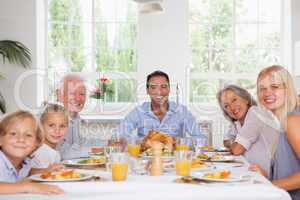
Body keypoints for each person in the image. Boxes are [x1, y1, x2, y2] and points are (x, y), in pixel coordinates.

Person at [249, 65, 300, 199]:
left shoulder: (292, 121)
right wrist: (266, 176)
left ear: (288, 89)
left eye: (275, 87)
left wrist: (269, 185)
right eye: (262, 89)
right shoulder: (283, 121)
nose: (267, 93)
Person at [118, 70, 206, 140]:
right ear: (147, 90)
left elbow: (201, 138)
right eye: (153, 87)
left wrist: (177, 142)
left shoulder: (181, 111)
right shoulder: (139, 112)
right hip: (145, 161)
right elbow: (118, 136)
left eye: (163, 87)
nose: (159, 92)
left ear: (169, 89)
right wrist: (143, 141)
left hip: (175, 160)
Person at [217, 85, 279, 176]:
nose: (232, 107)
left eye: (234, 100)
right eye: (226, 106)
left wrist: (235, 144)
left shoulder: (256, 113)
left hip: (271, 176)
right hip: (252, 172)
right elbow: (226, 142)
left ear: (246, 99)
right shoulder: (237, 121)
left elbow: (237, 150)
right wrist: (235, 144)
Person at [0, 110, 63, 195]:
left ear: (36, 143)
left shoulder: (24, 162)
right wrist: (29, 187)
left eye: (28, 135)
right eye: (13, 134)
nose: (21, 139)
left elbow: (28, 171)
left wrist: (46, 170)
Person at [56, 74, 87, 159]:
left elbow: (82, 144)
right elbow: (63, 153)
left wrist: (107, 144)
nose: (77, 98)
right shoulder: (52, 118)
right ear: (59, 95)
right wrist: (95, 150)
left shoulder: (75, 117)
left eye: (82, 94)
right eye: (72, 93)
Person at [31, 103, 69, 168]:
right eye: (51, 125)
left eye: (62, 126)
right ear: (41, 126)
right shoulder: (40, 152)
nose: (57, 131)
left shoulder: (52, 150)